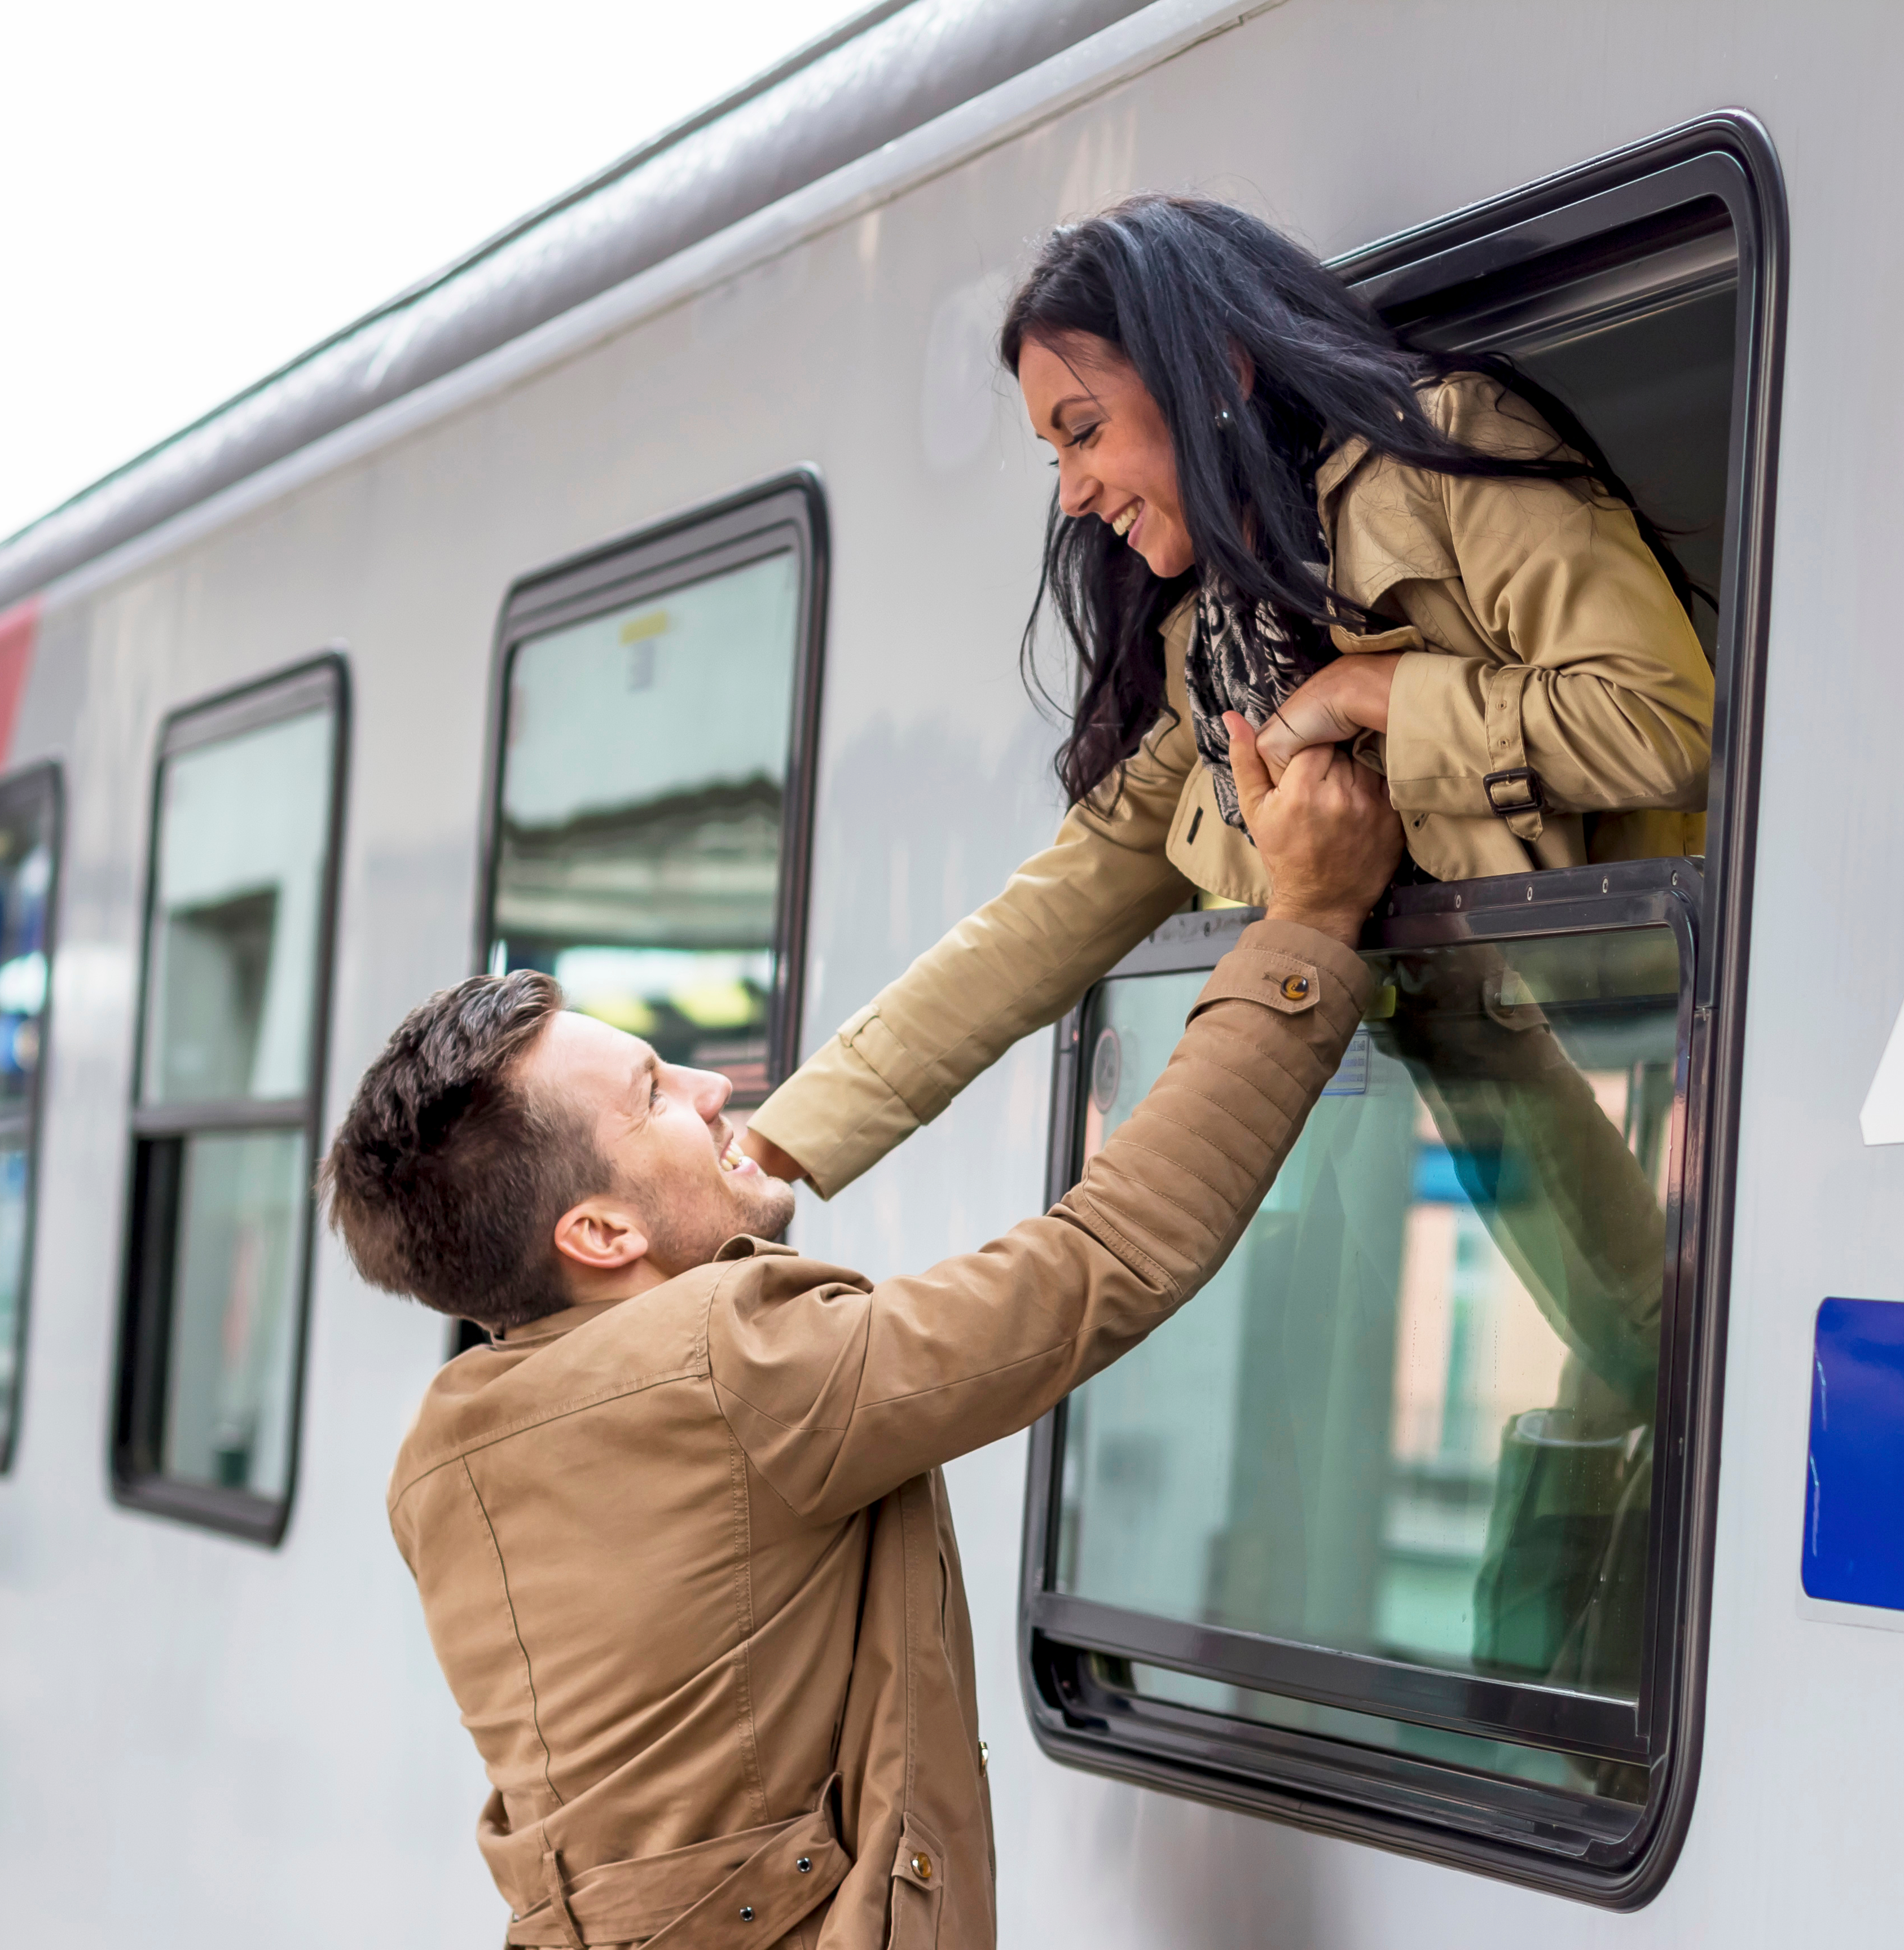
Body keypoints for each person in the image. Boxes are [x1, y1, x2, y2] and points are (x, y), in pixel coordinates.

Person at [321, 730, 1399, 1950]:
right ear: (602, 1231)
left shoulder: (445, 1452)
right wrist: (1307, 927)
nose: (714, 1088)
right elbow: (1103, 1260)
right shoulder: (739, 1365)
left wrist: (729, 1179)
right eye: (655, 1096)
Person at [737, 193, 1713, 1201]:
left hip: (1647, 1065)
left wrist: (1377, 692)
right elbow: (1051, 915)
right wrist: (777, 1147)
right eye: (1055, 453)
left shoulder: (1448, 453)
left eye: (1083, 433)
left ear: (1217, 376)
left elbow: (1669, 723)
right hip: (1446, 1109)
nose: (1070, 492)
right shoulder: (1214, 651)